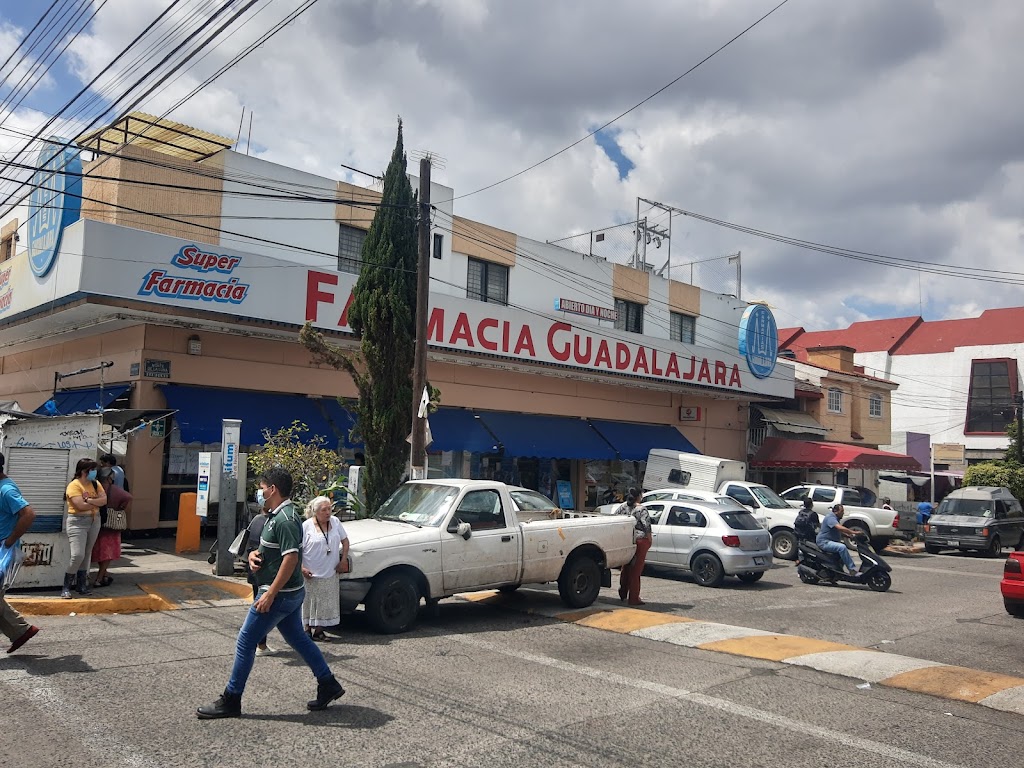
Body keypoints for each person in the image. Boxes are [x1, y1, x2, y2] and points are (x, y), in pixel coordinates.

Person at [196, 467, 345, 719]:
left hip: (279, 595)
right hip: (288, 593)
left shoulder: (285, 519)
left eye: (262, 487)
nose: (260, 491)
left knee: (246, 641)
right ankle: (328, 683)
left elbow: (291, 559)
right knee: (298, 639)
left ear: (272, 489)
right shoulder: (276, 516)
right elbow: (274, 551)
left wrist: (270, 594)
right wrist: (255, 556)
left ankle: (231, 699)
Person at [0, 451, 40, 654]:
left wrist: (9, 541)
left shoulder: (6, 490)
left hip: (2, 552)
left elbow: (29, 514)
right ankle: (20, 631)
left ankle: (21, 631)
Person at [301, 496, 350, 641]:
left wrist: (343, 560)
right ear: (316, 512)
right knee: (308, 601)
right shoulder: (306, 526)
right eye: (324, 510)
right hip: (310, 572)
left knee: (325, 602)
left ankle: (319, 630)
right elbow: (298, 549)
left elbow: (345, 542)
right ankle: (307, 629)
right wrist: (301, 568)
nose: (328, 512)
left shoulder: (335, 522)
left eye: (329, 509)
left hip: (330, 571)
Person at [63, 458, 106, 599]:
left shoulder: (95, 483)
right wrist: (95, 503)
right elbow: (79, 506)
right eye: (92, 469)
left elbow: (104, 500)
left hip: (94, 521)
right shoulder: (74, 485)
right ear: (84, 471)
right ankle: (66, 586)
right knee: (78, 555)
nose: (95, 472)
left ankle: (81, 585)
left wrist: (89, 501)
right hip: (77, 522)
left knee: (87, 554)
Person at [243, 500, 276, 657]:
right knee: (263, 609)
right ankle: (259, 644)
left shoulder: (255, 520)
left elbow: (250, 544)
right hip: (265, 572)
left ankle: (259, 644)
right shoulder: (270, 522)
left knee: (260, 607)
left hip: (254, 570)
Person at [91, 468, 131, 588]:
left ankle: (104, 574)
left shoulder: (94, 488)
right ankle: (99, 578)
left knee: (98, 552)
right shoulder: (115, 490)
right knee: (107, 553)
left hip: (96, 523)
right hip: (111, 526)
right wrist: (120, 508)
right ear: (110, 478)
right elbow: (128, 497)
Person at [615, 488, 652, 606]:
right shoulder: (642, 509)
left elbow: (615, 519)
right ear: (639, 496)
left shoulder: (623, 507)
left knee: (626, 567)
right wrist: (650, 539)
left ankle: (623, 592)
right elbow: (646, 526)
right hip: (640, 540)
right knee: (636, 569)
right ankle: (634, 597)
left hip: (627, 540)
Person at [816, 504, 860, 576]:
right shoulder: (831, 518)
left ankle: (837, 571)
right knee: (842, 547)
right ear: (836, 512)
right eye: (842, 511)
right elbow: (840, 528)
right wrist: (854, 532)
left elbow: (837, 531)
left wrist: (849, 536)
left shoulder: (835, 518)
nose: (843, 513)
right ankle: (852, 570)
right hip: (824, 542)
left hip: (830, 541)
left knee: (842, 552)